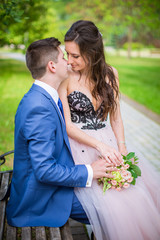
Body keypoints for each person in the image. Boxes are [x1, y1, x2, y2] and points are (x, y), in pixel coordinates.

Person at [58, 20, 160, 240]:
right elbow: (66, 125)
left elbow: (116, 117)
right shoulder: (65, 77)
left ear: (93, 53)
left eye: (75, 56)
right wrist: (99, 145)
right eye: (67, 54)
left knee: (136, 196)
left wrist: (121, 147)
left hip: (108, 143)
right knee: (110, 204)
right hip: (80, 147)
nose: (69, 61)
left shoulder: (111, 74)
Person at [6, 37, 116, 227]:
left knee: (114, 195)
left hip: (52, 184)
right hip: (42, 198)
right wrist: (91, 170)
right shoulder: (38, 108)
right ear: (52, 66)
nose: (69, 62)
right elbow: (45, 171)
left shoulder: (43, 97)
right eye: (63, 57)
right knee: (113, 210)